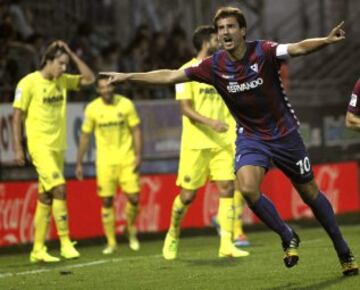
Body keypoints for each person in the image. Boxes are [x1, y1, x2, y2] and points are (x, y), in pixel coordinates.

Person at [101, 7, 359, 276]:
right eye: (221, 28)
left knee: (309, 193)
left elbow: (297, 48)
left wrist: (325, 41)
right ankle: (287, 234)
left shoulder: (264, 51)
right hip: (251, 137)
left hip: (285, 134)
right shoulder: (213, 66)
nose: (225, 32)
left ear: (243, 30)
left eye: (230, 27)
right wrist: (128, 77)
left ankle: (343, 249)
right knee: (247, 189)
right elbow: (170, 75)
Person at [160, 25, 249, 260]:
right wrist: (211, 122)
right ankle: (173, 233)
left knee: (227, 188)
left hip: (224, 142)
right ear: (204, 43)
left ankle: (226, 244)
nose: (220, 40)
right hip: (196, 144)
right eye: (215, 38)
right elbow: (185, 109)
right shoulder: (185, 71)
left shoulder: (225, 67)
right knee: (187, 196)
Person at [12, 40, 95, 263]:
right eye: (60, 63)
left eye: (66, 64)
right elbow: (17, 115)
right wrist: (19, 147)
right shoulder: (28, 83)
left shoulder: (63, 81)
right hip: (40, 146)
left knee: (46, 195)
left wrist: (70, 52)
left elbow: (90, 79)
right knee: (59, 188)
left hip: (58, 147)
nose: (63, 68)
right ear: (47, 62)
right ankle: (65, 243)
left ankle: (37, 249)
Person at [75, 77, 142, 255]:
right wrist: (79, 162)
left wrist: (138, 154)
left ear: (114, 87)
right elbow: (84, 136)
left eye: (109, 86)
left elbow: (136, 130)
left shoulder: (126, 104)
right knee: (106, 200)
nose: (106, 90)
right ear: (98, 90)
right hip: (104, 161)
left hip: (126, 158)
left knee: (134, 198)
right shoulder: (92, 108)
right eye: (103, 88)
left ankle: (130, 230)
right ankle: (111, 242)